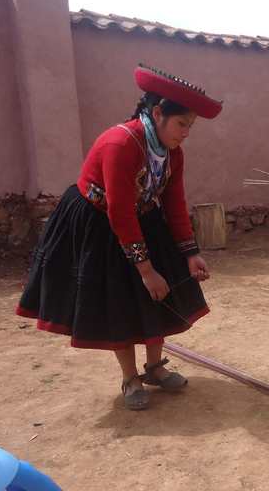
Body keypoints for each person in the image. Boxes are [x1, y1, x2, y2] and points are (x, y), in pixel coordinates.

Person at [16, 64, 223, 410]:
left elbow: (173, 201)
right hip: (100, 223)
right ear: (158, 113)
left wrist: (190, 252)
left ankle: (155, 367)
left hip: (142, 216)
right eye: (182, 124)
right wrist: (145, 269)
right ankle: (130, 379)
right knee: (121, 300)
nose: (186, 133)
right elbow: (119, 211)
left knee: (161, 292)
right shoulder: (120, 144)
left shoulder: (172, 153)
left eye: (190, 126)